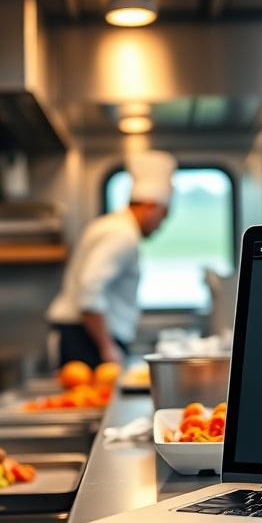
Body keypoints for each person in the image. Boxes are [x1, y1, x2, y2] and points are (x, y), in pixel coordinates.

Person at [47, 150, 176, 367]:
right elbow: (90, 293)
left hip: (87, 336)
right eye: (163, 217)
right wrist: (107, 347)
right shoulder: (121, 235)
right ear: (150, 207)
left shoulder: (113, 226)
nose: (160, 227)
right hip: (87, 341)